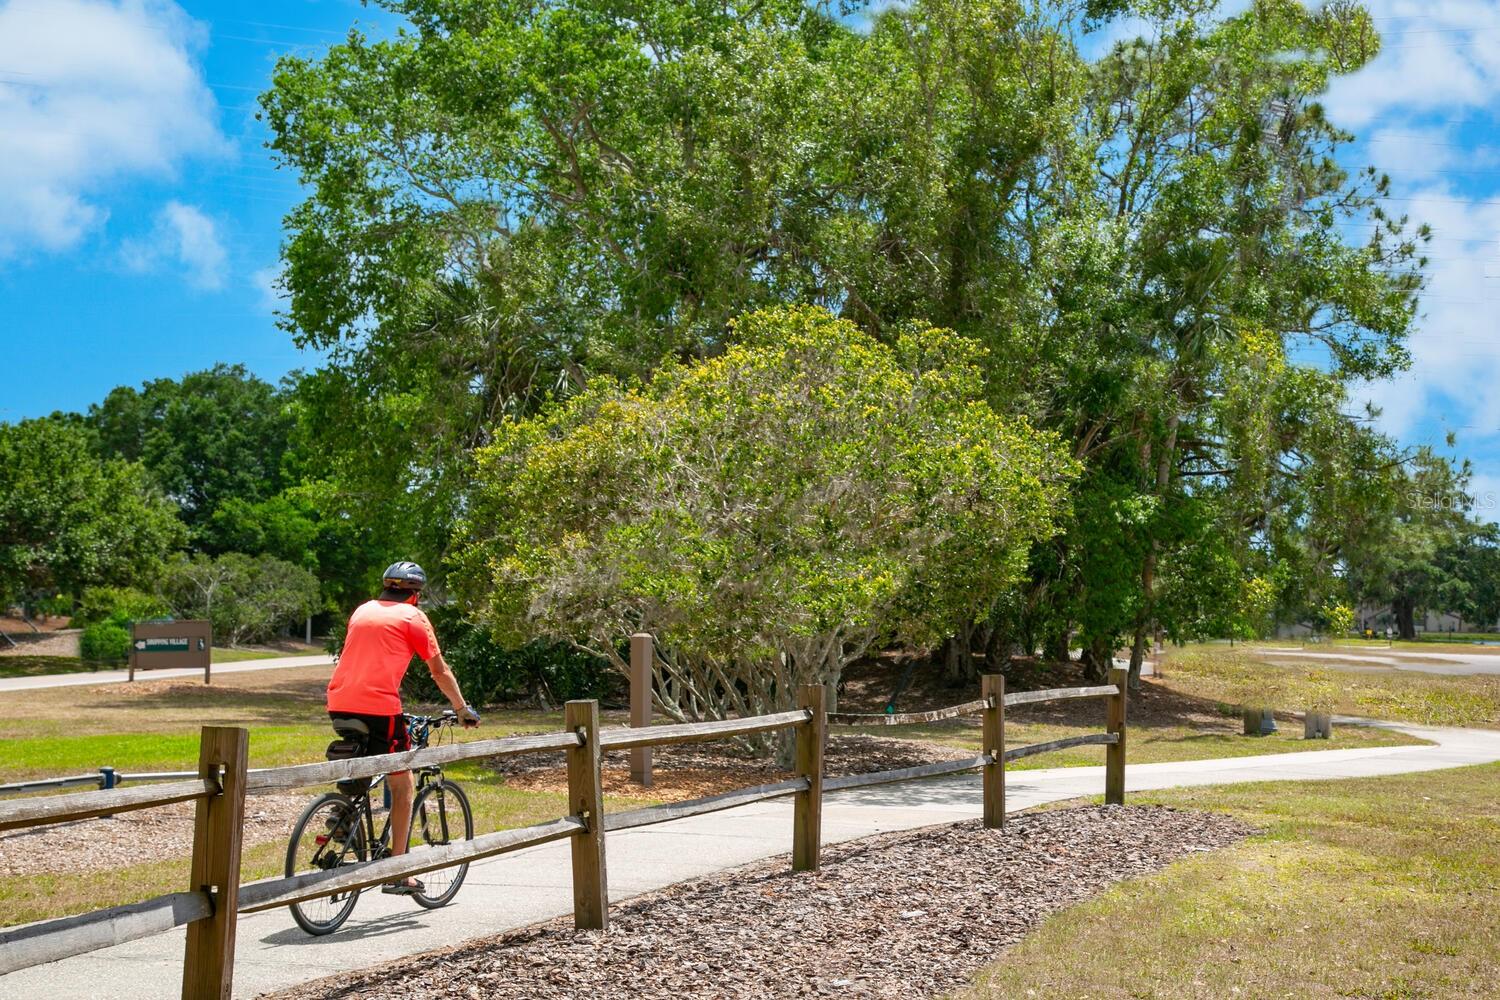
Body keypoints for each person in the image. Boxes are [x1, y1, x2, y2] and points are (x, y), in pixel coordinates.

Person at [326, 561, 481, 895]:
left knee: (364, 762)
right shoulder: (413, 617)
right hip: (379, 707)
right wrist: (461, 708)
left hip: (338, 702)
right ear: (416, 594)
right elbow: (438, 671)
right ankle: (399, 871)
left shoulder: (362, 610)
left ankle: (345, 813)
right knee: (402, 784)